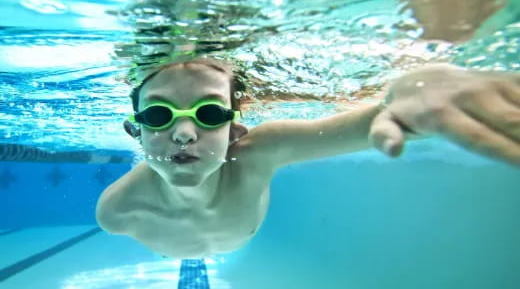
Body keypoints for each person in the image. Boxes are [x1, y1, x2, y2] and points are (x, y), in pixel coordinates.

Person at [95, 57, 520, 259]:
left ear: (234, 132)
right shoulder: (116, 211)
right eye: (157, 114)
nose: (184, 133)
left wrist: (415, 94)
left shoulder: (260, 152)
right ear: (136, 130)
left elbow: (364, 123)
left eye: (209, 113)